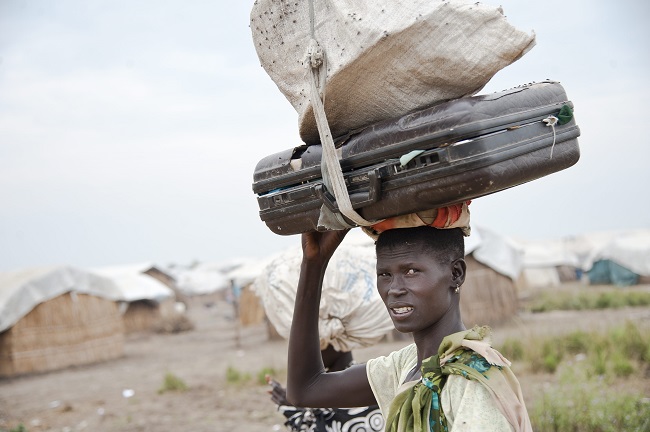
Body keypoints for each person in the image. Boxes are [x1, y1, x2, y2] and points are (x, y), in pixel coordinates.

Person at [286, 226, 532, 431]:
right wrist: (314, 263)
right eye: (385, 274)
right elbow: (306, 390)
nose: (394, 288)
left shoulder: (472, 384)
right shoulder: (407, 366)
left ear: (456, 274)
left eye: (411, 271)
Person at [266, 344, 384, 432]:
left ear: (338, 340)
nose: (302, 353)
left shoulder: (371, 381)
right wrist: (294, 406)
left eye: (312, 341)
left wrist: (298, 408)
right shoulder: (316, 393)